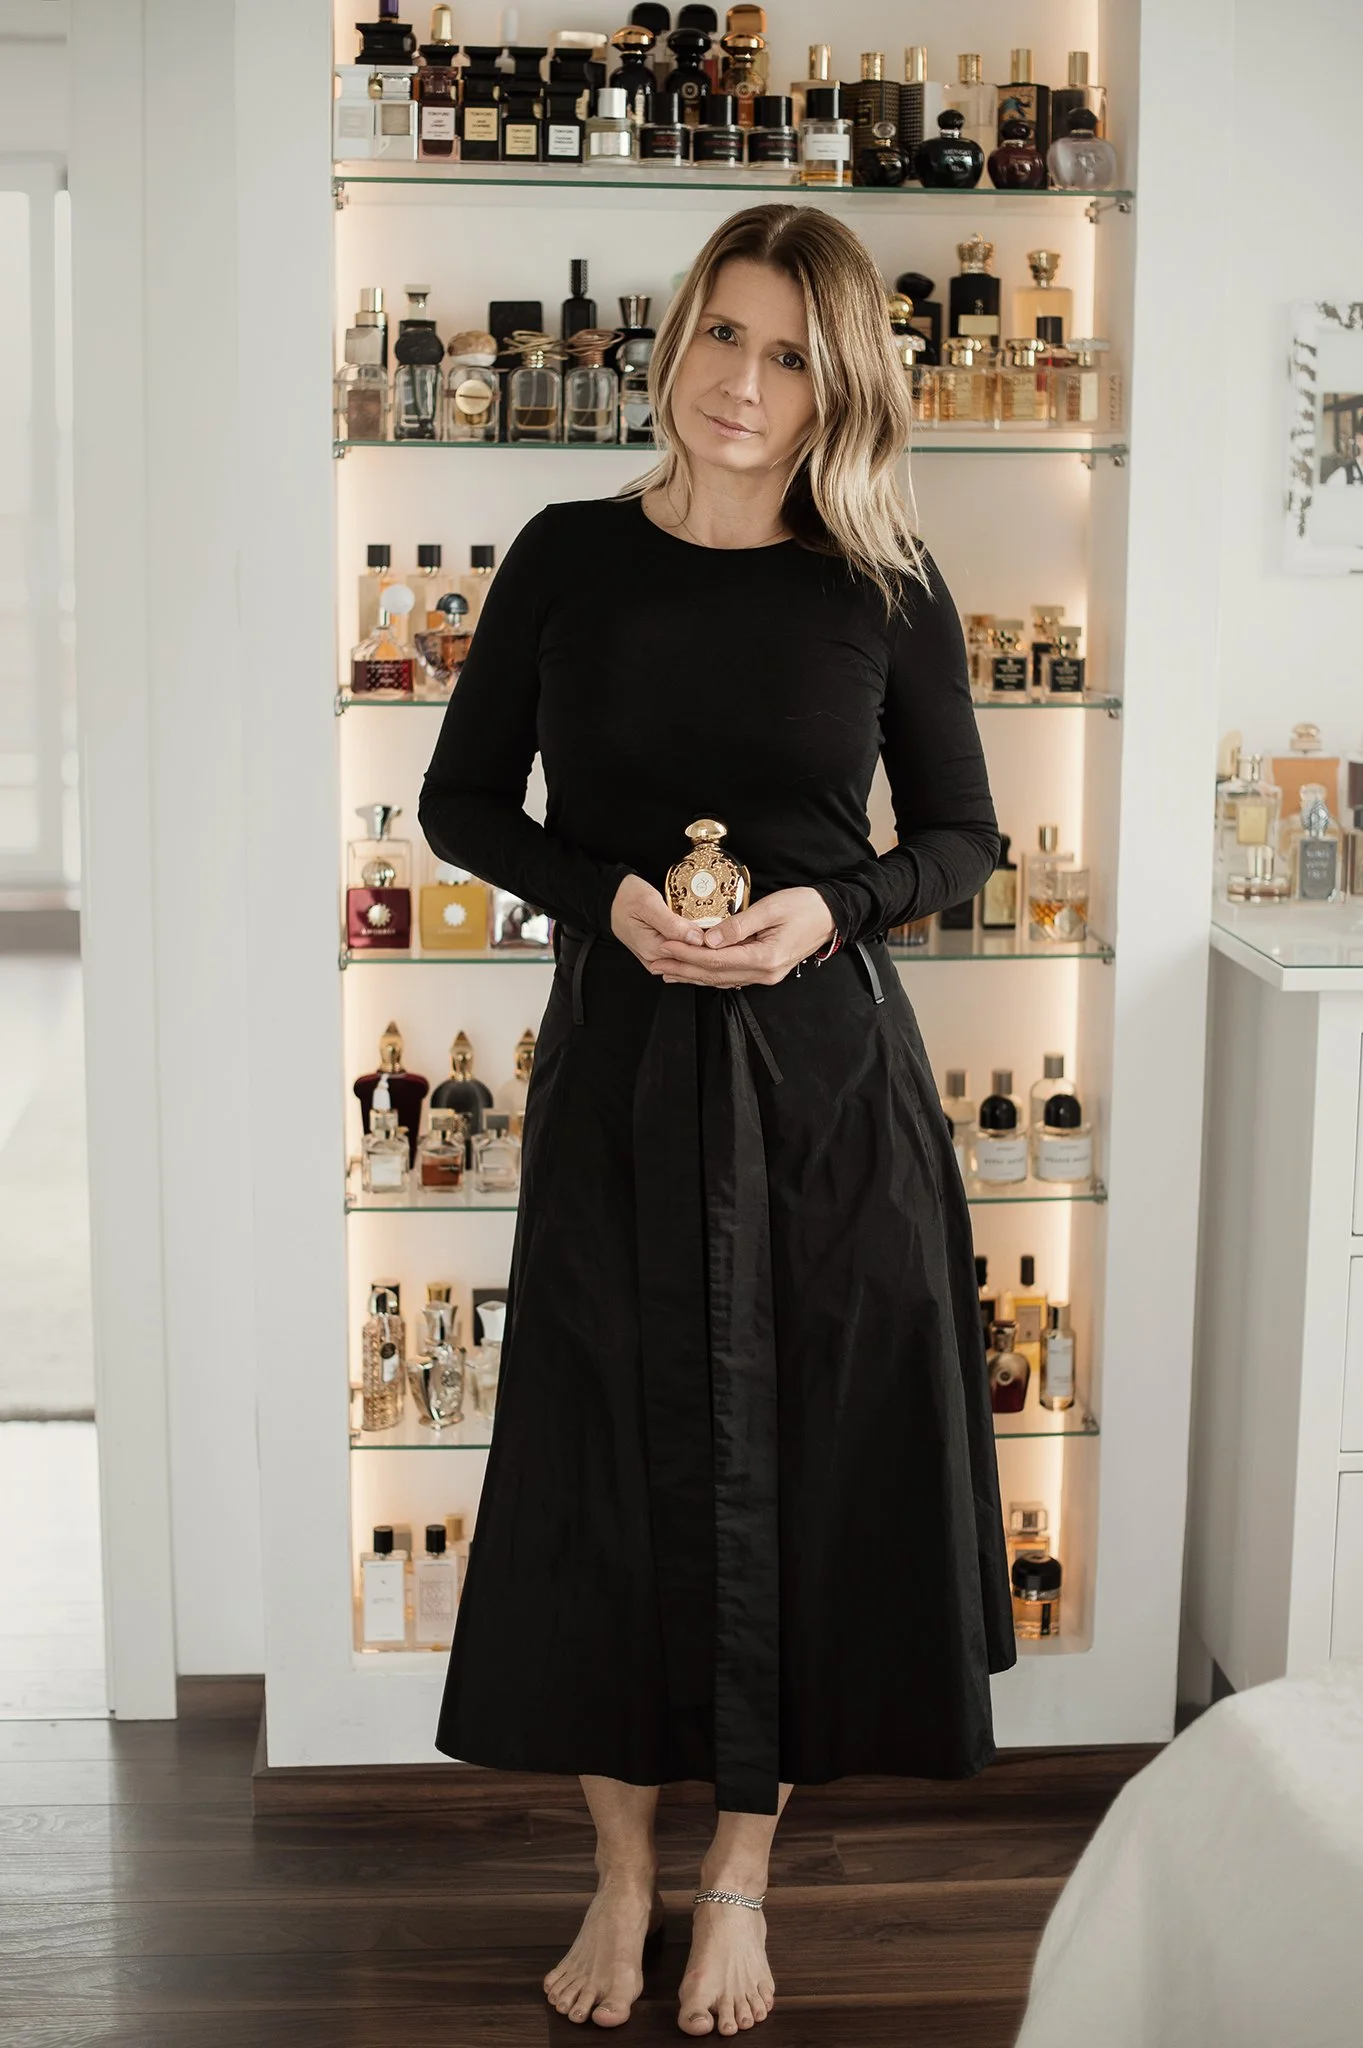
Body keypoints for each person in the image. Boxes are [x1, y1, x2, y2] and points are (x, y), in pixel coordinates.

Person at [419, 202, 1016, 2038]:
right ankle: (620, 1872)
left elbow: (963, 839)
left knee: (799, 1466)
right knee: (604, 1471)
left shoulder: (880, 581)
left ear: (838, 390)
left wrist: (833, 906)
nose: (742, 384)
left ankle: (737, 1879)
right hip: (616, 1068)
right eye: (721, 337)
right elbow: (461, 806)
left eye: (788, 357)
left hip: (826, 1084)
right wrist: (602, 895)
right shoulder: (566, 555)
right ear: (673, 342)